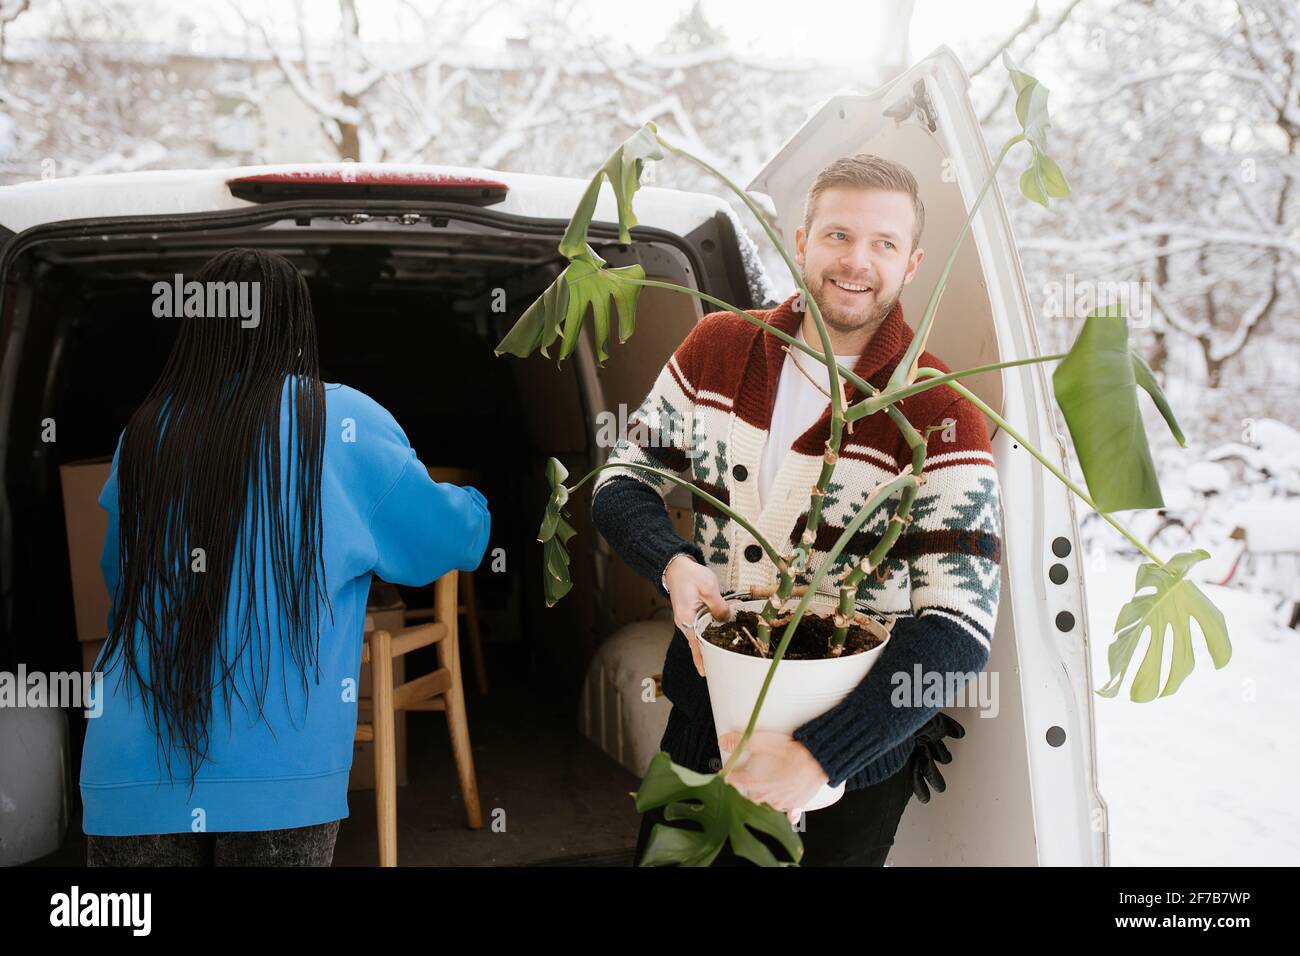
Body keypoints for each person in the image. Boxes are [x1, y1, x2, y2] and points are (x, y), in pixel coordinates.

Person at [591, 154, 1003, 866]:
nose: (857, 261)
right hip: (706, 722)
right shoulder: (717, 348)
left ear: (911, 264)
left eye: (883, 243)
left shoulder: (939, 411)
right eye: (838, 235)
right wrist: (674, 562)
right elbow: (621, 479)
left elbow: (959, 631)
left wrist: (816, 758)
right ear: (801, 239)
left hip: (852, 762)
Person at [81, 248, 490, 866]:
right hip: (278, 771)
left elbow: (121, 587)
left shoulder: (143, 433)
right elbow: (443, 540)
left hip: (129, 764)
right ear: (295, 325)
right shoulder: (339, 419)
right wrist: (476, 501)